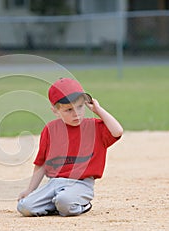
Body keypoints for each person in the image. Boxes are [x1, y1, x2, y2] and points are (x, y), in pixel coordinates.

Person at [17, 78, 123, 217]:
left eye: (80, 106)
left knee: (64, 201)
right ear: (55, 111)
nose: (76, 113)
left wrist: (98, 110)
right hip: (54, 183)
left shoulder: (94, 127)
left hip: (81, 184)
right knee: (24, 207)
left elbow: (118, 131)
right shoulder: (50, 130)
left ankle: (79, 205)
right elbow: (41, 164)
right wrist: (30, 190)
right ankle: (56, 206)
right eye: (68, 110)